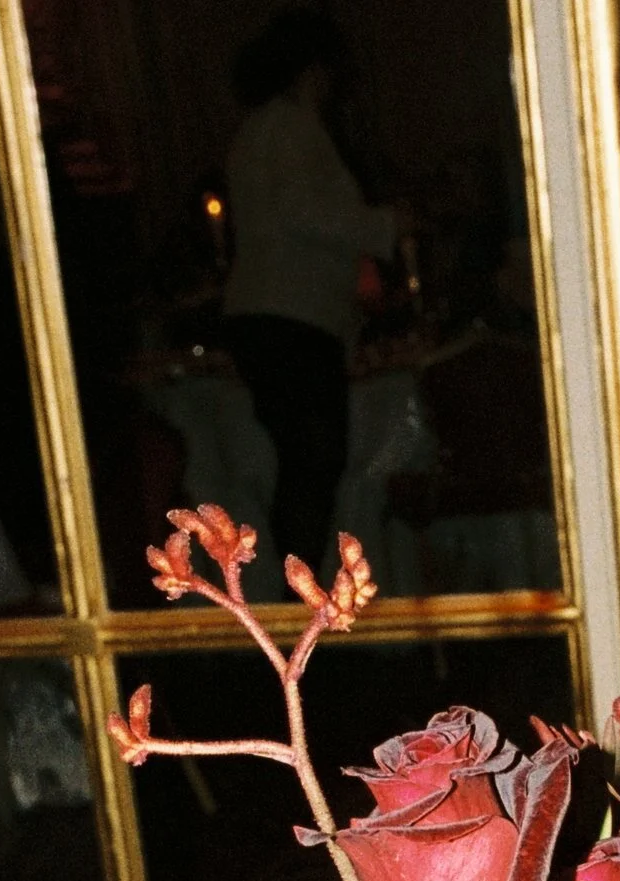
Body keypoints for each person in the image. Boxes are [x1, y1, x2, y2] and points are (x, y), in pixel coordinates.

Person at [222, 9, 400, 578]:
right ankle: (301, 597)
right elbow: (305, 212)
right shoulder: (293, 128)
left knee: (304, 462)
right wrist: (384, 226)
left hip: (271, 314)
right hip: (292, 317)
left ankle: (295, 591)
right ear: (312, 70)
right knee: (313, 460)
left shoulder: (261, 128)